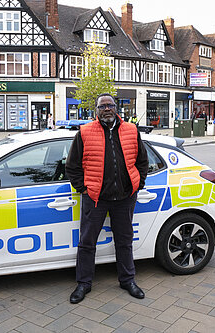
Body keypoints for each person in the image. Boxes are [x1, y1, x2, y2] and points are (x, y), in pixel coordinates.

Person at [65, 93, 149, 304]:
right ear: (96, 110)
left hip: (124, 198)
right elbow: (72, 166)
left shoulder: (131, 130)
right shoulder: (84, 133)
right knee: (87, 242)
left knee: (124, 241)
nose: (107, 109)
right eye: (102, 106)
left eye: (110, 105)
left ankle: (127, 280)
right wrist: (83, 188)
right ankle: (84, 283)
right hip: (95, 198)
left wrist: (138, 184)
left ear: (116, 107)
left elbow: (142, 161)